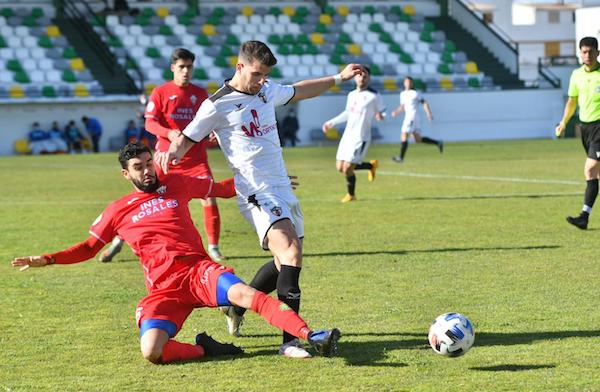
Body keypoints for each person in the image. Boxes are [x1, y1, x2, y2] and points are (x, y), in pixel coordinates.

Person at [11, 143, 340, 364]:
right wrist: (48, 258)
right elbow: (87, 248)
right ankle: (205, 349)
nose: (147, 171)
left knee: (244, 293)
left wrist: (268, 185)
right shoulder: (117, 210)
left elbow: (222, 189)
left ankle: (309, 335)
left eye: (149, 164)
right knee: (151, 351)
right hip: (164, 289)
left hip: (199, 271)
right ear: (126, 174)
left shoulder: (177, 183)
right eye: (138, 168)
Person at [156, 40, 361, 358]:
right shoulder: (217, 104)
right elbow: (186, 139)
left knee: (284, 266)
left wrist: (338, 78)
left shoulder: (266, 90)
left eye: (266, 75)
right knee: (291, 253)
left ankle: (236, 306)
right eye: (256, 74)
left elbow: (299, 90)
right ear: (239, 67)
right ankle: (290, 342)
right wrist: (168, 157)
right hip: (255, 192)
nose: (261, 81)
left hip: (282, 188)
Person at [99, 48, 226, 263]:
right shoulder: (161, 92)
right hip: (166, 159)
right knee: (146, 201)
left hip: (196, 161)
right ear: (173, 68)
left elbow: (209, 122)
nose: (186, 71)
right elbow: (149, 122)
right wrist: (169, 133)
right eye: (181, 67)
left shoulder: (201, 94)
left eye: (189, 67)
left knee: (210, 197)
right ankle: (118, 241)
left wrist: (212, 133)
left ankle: (213, 247)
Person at [322, 66, 385, 203]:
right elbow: (347, 113)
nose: (362, 78)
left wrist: (381, 115)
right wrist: (331, 122)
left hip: (361, 137)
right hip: (348, 136)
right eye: (359, 75)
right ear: (355, 77)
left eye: (365, 75)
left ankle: (351, 195)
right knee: (340, 167)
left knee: (348, 168)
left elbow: (382, 111)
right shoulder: (351, 95)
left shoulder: (374, 95)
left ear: (369, 78)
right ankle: (370, 166)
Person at [556, 37, 600, 230]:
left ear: (598, 52)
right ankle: (585, 217)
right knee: (597, 175)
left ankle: (584, 216)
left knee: (590, 169)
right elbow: (572, 101)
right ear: (580, 53)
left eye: (591, 51)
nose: (587, 55)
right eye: (584, 52)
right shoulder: (576, 75)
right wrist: (563, 122)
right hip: (585, 128)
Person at [391, 76, 443, 163]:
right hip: (408, 116)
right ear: (404, 83)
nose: (408, 84)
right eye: (406, 82)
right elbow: (403, 106)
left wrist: (429, 113)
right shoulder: (402, 94)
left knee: (404, 134)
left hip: (412, 117)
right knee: (417, 139)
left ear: (412, 83)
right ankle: (438, 143)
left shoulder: (415, 93)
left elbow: (424, 102)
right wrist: (396, 112)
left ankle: (401, 158)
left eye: (409, 82)